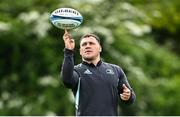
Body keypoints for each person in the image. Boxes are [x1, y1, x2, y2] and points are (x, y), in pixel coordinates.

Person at [61, 29, 136, 116]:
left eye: (91, 43)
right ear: (80, 51)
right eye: (84, 44)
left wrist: (128, 96)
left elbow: (131, 99)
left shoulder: (116, 70)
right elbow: (67, 81)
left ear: (100, 48)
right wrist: (69, 52)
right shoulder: (77, 71)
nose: (87, 46)